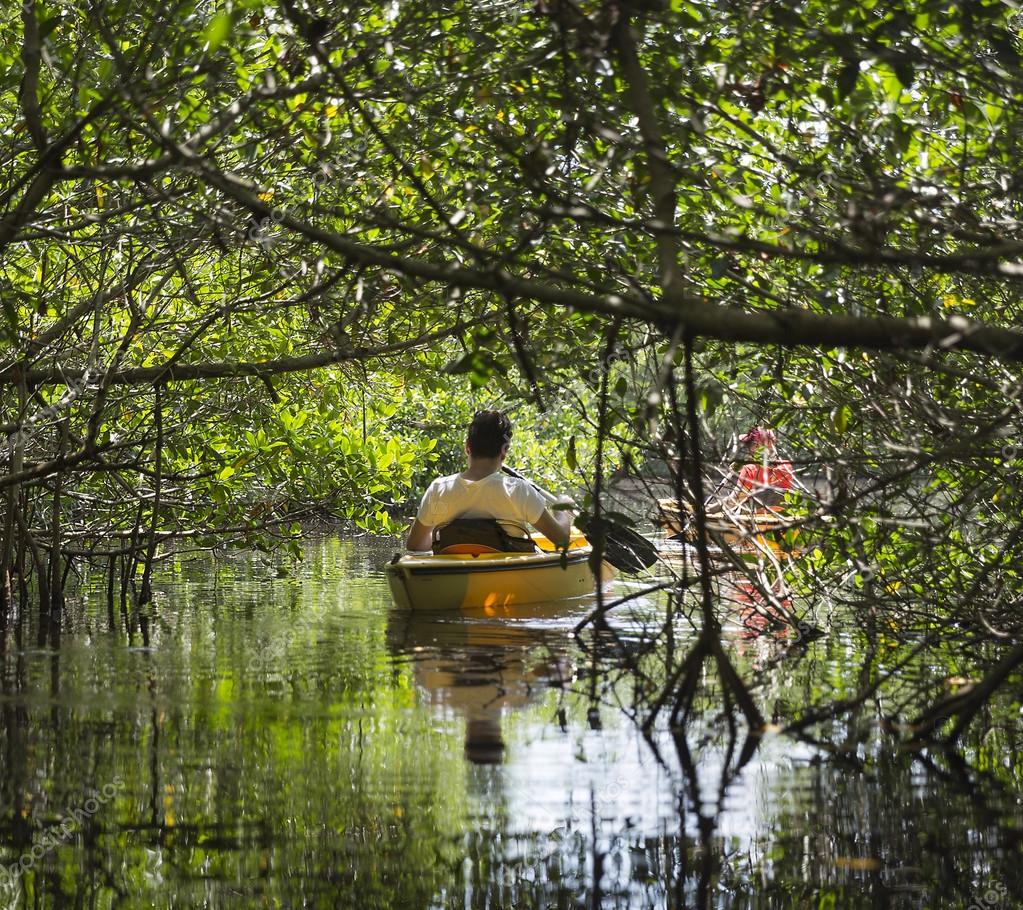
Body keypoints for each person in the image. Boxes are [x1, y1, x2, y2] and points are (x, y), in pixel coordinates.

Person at [405, 410, 573, 552]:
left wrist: (443, 541)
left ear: (467, 447)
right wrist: (562, 508)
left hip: (454, 577)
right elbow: (561, 541)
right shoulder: (518, 490)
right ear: (504, 450)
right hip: (508, 580)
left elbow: (415, 545)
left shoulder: (439, 488)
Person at [721, 426, 794, 513]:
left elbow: (733, 502)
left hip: (752, 519)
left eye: (749, 444)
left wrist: (714, 506)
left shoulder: (749, 470)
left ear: (756, 446)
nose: (747, 449)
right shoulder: (786, 466)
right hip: (781, 516)